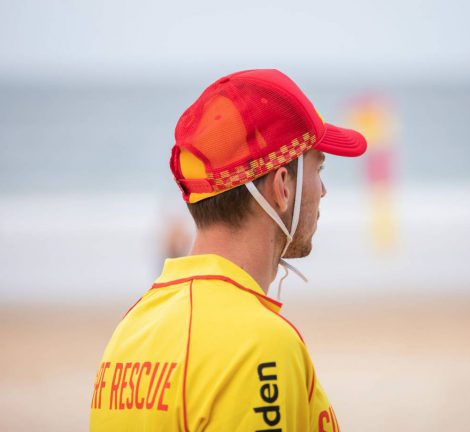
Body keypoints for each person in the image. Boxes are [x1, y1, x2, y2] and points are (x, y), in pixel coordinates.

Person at [89, 69, 366, 431]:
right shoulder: (260, 344)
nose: (323, 191)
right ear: (282, 186)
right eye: (319, 169)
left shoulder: (130, 332)